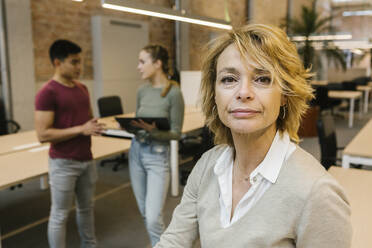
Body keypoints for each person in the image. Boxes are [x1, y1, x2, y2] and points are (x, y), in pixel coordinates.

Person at [154, 24, 352, 247]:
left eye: (262, 79)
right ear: (215, 94)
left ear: (285, 95)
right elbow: (174, 240)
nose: (244, 92)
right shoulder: (208, 165)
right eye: (229, 79)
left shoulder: (317, 192)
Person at [35, 39, 103, 248]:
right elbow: (43, 134)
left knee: (86, 208)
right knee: (59, 215)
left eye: (80, 62)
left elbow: (87, 120)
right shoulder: (47, 93)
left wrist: (93, 126)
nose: (79, 67)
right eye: (74, 62)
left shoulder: (82, 88)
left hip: (86, 160)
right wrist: (81, 129)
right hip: (63, 164)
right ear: (57, 63)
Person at [128, 44, 185, 246]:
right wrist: (131, 127)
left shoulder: (173, 93)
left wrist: (154, 131)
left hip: (157, 156)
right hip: (136, 152)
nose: (138, 66)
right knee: (145, 213)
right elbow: (138, 121)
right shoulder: (142, 91)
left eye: (142, 61)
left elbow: (177, 134)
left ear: (158, 63)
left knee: (153, 217)